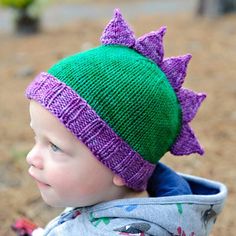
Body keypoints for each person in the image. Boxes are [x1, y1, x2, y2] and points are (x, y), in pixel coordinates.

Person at [20, 9, 227, 236]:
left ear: (119, 168)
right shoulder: (98, 195)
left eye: (54, 146)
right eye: (36, 138)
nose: (32, 157)